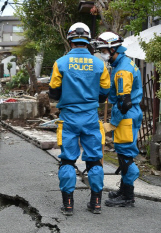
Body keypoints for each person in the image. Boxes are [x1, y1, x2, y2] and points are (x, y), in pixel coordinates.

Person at [49, 22, 110, 215]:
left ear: (70, 39)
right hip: (91, 117)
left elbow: (53, 92)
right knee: (94, 160)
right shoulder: (100, 63)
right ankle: (96, 203)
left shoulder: (60, 63)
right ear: (88, 40)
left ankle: (68, 205)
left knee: (67, 160)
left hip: (68, 118)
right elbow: (104, 93)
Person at [96, 32, 143, 207]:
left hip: (126, 115)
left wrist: (113, 123)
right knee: (123, 152)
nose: (102, 52)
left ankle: (128, 196)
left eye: (103, 49)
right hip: (130, 114)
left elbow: (124, 102)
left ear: (113, 48)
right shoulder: (122, 63)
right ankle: (124, 189)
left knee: (126, 155)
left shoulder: (122, 69)